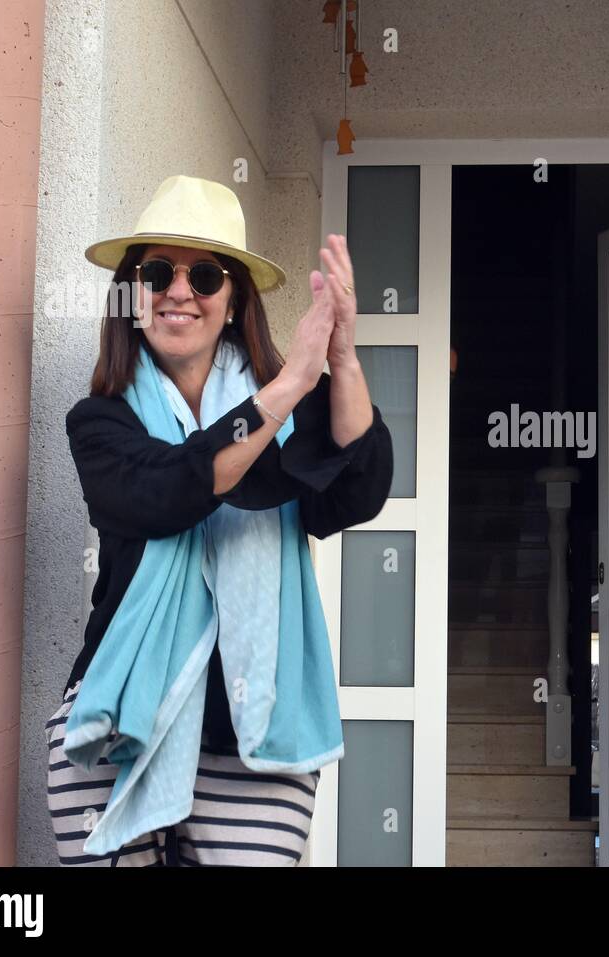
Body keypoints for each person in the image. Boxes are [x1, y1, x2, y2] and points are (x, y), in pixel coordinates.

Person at [45, 175, 392, 866]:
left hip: (258, 747)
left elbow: (358, 486)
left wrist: (342, 357)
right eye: (156, 273)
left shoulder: (288, 418)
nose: (180, 291)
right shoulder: (101, 421)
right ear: (132, 295)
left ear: (233, 301)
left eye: (204, 275)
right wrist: (288, 386)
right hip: (114, 728)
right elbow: (171, 489)